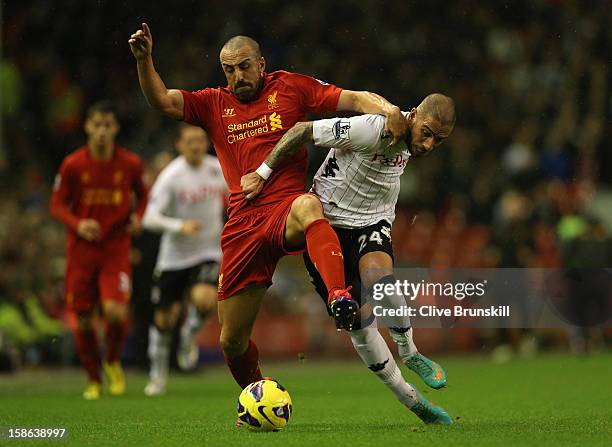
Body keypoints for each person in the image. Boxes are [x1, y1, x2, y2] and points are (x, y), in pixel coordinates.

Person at [129, 24, 409, 389]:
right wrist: (145, 60)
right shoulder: (213, 102)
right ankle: (258, 395)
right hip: (243, 224)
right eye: (229, 70)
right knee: (231, 340)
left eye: (244, 66)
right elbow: (162, 100)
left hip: (285, 209)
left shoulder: (291, 87)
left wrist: (389, 110)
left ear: (261, 63)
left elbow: (355, 99)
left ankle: (339, 295)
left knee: (309, 205)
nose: (237, 76)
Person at [242, 93, 456, 424]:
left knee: (380, 283)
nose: (428, 145)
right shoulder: (371, 129)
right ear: (414, 116)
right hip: (326, 225)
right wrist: (263, 171)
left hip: (373, 222)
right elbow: (302, 130)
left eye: (438, 141)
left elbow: (384, 106)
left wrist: (392, 110)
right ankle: (414, 402)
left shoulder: (405, 128)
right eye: (426, 133)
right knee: (356, 322)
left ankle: (410, 352)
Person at [50, 101, 148, 400]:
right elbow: (56, 204)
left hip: (115, 249)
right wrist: (78, 224)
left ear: (115, 128)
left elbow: (143, 195)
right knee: (82, 320)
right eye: (97, 125)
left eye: (108, 125)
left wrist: (138, 218)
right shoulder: (73, 165)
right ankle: (93, 378)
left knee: (116, 313)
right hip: (81, 252)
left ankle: (113, 361)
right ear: (88, 127)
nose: (103, 131)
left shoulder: (130, 163)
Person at [142, 123, 227, 396]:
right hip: (174, 257)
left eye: (200, 140)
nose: (195, 145)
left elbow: (236, 196)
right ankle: (158, 375)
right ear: (179, 145)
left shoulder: (217, 169)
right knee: (165, 320)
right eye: (189, 141)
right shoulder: (171, 176)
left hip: (208, 251)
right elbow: (149, 218)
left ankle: (190, 334)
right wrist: (179, 226)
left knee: (204, 299)